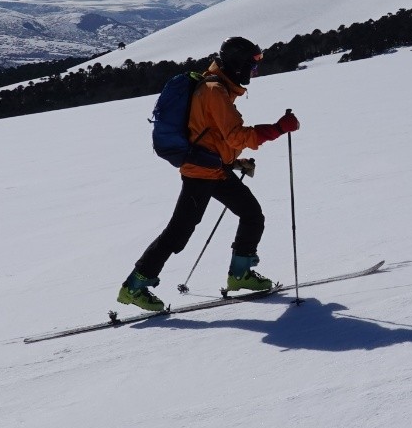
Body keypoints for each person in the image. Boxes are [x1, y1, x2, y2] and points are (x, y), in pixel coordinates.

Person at [118, 37, 300, 310]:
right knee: (178, 232)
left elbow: (213, 136)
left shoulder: (218, 87)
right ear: (238, 65)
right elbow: (237, 136)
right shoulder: (215, 91)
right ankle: (135, 286)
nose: (253, 72)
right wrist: (277, 128)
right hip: (201, 173)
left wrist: (235, 162)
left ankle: (240, 274)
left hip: (214, 169)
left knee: (251, 215)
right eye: (251, 66)